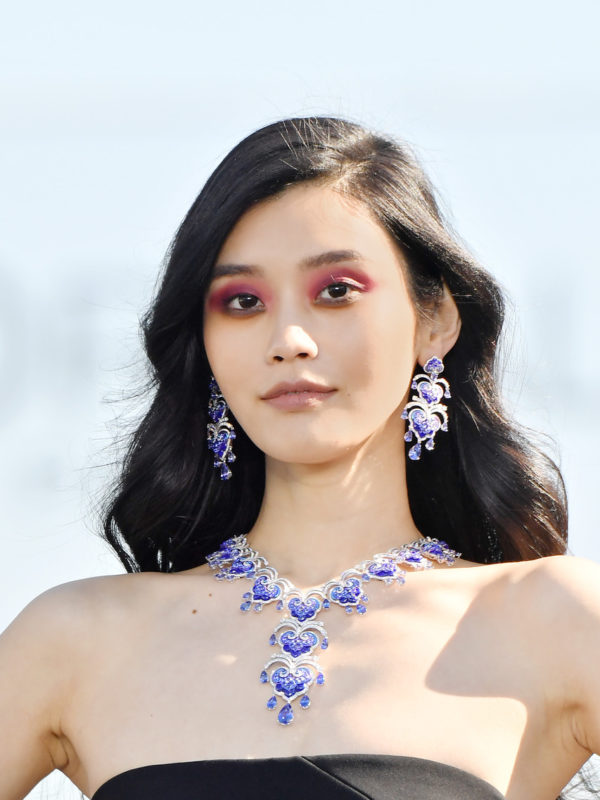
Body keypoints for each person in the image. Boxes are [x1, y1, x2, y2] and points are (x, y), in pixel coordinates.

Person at [1, 116, 599, 800]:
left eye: (336, 291)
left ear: (434, 319)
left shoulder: (550, 621)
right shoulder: (79, 641)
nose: (288, 338)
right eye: (243, 301)